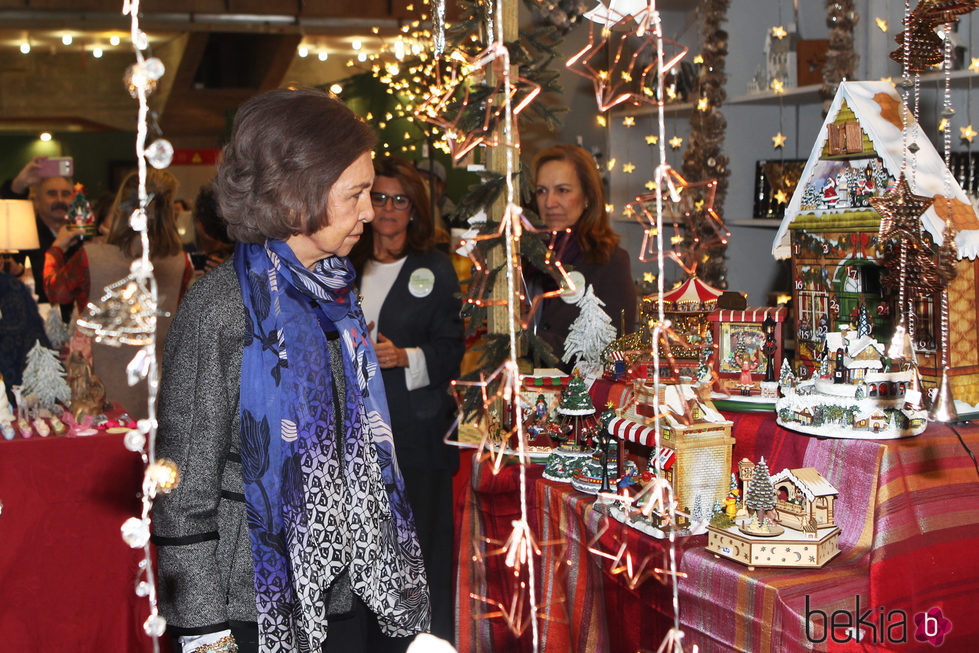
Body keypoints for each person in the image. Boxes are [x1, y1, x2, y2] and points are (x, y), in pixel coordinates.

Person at [153, 89, 430, 653]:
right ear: (292, 197)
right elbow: (182, 495)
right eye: (354, 195)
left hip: (345, 594)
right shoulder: (220, 310)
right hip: (252, 605)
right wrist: (204, 639)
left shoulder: (333, 291)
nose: (370, 212)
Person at [349, 156, 464, 643]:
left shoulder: (434, 268)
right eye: (380, 197)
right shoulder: (344, 263)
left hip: (417, 437)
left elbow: (452, 348)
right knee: (365, 554)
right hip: (353, 435)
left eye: (400, 199)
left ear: (415, 209)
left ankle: (423, 642)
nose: (389, 208)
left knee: (421, 553)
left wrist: (404, 356)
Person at [42, 169, 192, 419]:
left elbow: (55, 291)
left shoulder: (92, 258)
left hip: (100, 394)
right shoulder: (181, 263)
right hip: (157, 395)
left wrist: (56, 248)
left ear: (121, 209)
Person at [529, 144, 637, 367]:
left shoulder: (610, 262)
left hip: (580, 397)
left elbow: (611, 351)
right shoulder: (524, 257)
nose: (549, 203)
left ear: (587, 197)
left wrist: (527, 339)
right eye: (542, 191)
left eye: (563, 190)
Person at [1, 156, 79, 316]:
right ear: (36, 201)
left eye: (65, 194)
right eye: (52, 194)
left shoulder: (83, 236)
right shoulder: (23, 236)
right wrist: (19, 184)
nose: (60, 200)